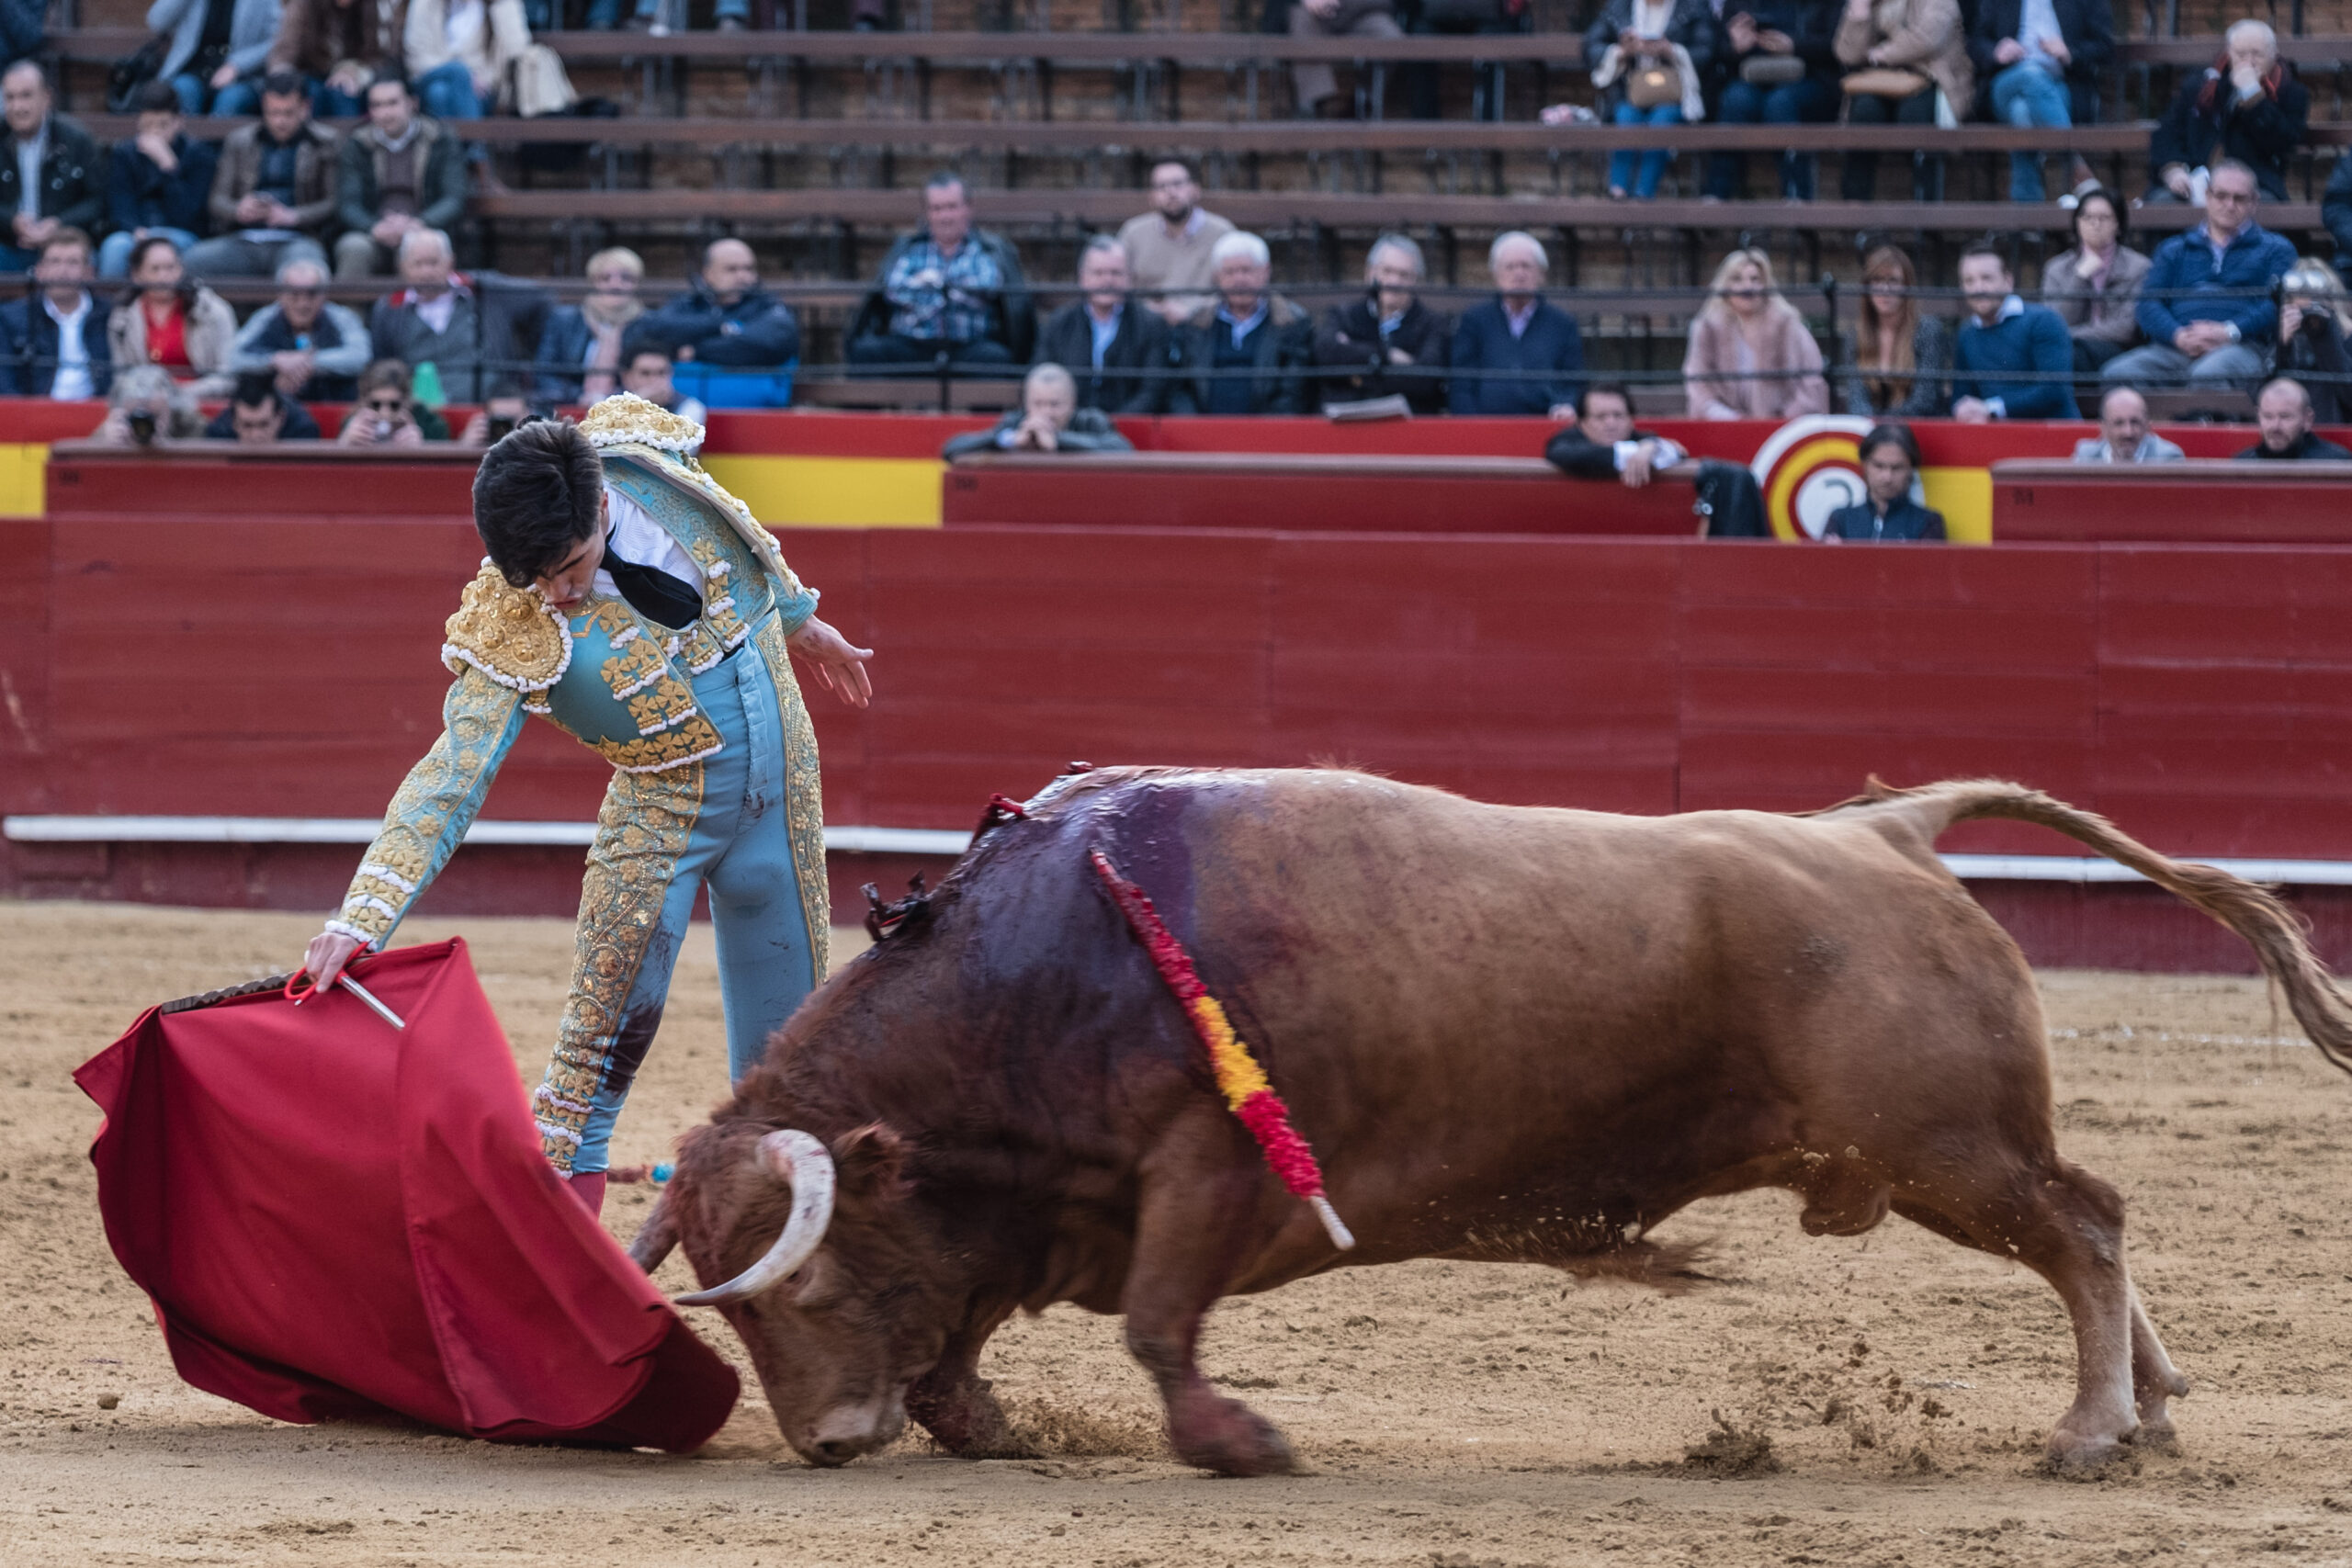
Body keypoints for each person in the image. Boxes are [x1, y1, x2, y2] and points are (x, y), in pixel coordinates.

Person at [301, 402, 876, 1215]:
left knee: (796, 1076)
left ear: (601, 504)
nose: (559, 595)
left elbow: (738, 543)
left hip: (784, 797)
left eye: (570, 567)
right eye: (534, 579)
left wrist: (800, 621)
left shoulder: (646, 463)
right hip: (658, 824)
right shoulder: (509, 623)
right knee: (581, 1092)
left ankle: (797, 1292)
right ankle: (559, 1300)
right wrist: (362, 916)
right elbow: (450, 775)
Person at [2103, 159, 2292, 395]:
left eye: (2239, 198)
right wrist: (2178, 335)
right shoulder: (2173, 249)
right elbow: (2148, 304)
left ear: (2254, 202)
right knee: (2118, 374)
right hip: (2176, 347)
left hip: (2244, 347)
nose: (2229, 205)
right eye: (2221, 195)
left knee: (2208, 375)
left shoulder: (2276, 249)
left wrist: (2230, 332)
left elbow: (2277, 304)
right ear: (2207, 196)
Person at [848, 176, 1031, 375]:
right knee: (866, 354)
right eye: (937, 208)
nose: (945, 216)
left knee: (997, 359)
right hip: (911, 344)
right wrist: (954, 292)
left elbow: (986, 288)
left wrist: (926, 285)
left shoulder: (987, 250)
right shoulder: (910, 248)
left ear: (968, 208)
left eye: (952, 207)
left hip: (968, 346)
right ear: (928, 213)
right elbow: (893, 290)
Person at [368, 227, 550, 404]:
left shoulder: (484, 290)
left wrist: (525, 356)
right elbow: (383, 367)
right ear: (402, 267)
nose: (426, 272)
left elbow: (541, 297)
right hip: (417, 414)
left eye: (433, 262)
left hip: (487, 408)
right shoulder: (388, 309)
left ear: (450, 262)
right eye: (418, 264)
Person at [185, 72, 337, 278]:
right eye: (273, 113)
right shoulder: (239, 141)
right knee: (189, 262)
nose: (279, 121)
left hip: (298, 239)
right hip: (244, 238)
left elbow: (334, 202)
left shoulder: (325, 143)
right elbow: (217, 201)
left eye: (288, 113)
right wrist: (239, 209)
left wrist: (294, 216)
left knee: (306, 275)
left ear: (305, 107)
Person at [1966, 0, 2112, 204]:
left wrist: (2070, 53)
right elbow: (1975, 42)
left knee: (2022, 112)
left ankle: (2027, 214)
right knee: (2030, 74)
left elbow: (2105, 46)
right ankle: (2074, 163)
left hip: (2061, 85)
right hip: (2006, 82)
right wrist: (1996, 51)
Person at [2147, 19, 2307, 206]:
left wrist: (2253, 98)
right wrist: (2173, 169)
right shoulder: (2200, 85)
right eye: (2241, 54)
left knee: (2266, 204)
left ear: (2274, 54)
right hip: (2197, 176)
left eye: (2257, 54)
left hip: (2256, 182)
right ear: (2229, 52)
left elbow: (2283, 142)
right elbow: (2168, 132)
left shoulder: (2291, 92)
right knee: (2161, 202)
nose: (2249, 62)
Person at [636, 237, 801, 409]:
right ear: (708, 273)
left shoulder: (770, 307)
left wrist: (695, 350)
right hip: (677, 411)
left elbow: (767, 343)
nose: (742, 276)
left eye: (748, 268)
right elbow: (653, 330)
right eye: (731, 269)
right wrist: (721, 327)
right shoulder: (688, 304)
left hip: (753, 414)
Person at [1834, 0, 1971, 202]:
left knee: (1913, 116)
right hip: (1879, 81)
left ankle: (1927, 217)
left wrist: (1880, 54)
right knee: (1864, 113)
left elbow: (1927, 39)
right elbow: (1847, 54)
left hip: (1930, 79)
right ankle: (1856, 215)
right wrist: (1860, 14)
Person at [333, 73, 466, 279]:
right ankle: (351, 312)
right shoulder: (357, 145)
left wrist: (419, 224)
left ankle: (422, 312)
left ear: (412, 103)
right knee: (353, 248)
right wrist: (374, 227)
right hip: (373, 232)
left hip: (424, 229)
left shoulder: (439, 140)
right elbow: (348, 203)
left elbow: (454, 198)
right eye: (377, 105)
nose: (384, 113)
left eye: (392, 103)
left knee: (424, 249)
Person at [1704, 0, 1839, 201]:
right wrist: (1736, 45)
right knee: (1735, 99)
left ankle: (1797, 198)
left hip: (1810, 79)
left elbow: (1837, 46)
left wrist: (1794, 45)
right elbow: (1719, 51)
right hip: (1753, 77)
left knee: (1780, 103)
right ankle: (1716, 195)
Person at [1167, 231, 1314, 416]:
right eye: (1230, 272)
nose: (1239, 280)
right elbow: (1180, 388)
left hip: (1268, 433)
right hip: (1201, 432)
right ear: (1218, 277)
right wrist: (1193, 428)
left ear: (1265, 272)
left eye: (1246, 270)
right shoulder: (1194, 325)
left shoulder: (1293, 324)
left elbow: (1293, 392)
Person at [1582, 0, 1715, 201]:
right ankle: (1618, 191)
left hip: (1676, 94)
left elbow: (1708, 50)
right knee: (1625, 117)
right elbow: (1590, 46)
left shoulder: (1693, 7)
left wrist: (1671, 50)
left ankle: (1644, 194)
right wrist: (1622, 50)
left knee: (1662, 122)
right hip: (1629, 91)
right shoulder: (1620, 6)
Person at [1310, 233, 1450, 414]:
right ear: (1370, 273)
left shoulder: (1433, 324)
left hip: (1408, 431)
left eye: (1404, 275)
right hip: (1346, 429)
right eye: (1388, 271)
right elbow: (1325, 355)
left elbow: (1425, 380)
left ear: (1415, 281)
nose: (1394, 281)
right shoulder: (1343, 316)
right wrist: (1387, 355)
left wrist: (1357, 372)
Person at [1449, 231, 1584, 419]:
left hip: (1544, 423)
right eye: (1510, 267)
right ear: (1496, 275)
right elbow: (1461, 384)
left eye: (1526, 266)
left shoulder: (1562, 323)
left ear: (1541, 274)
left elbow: (1573, 381)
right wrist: (1471, 424)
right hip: (1486, 424)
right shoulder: (1474, 320)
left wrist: (1565, 405)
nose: (1519, 273)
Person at [1032, 235, 1171, 415]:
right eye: (1098, 273)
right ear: (1083, 278)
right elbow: (1041, 376)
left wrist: (1112, 426)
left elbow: (1153, 391)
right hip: (1069, 428)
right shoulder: (1059, 323)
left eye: (1115, 273)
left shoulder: (1151, 325)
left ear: (1129, 278)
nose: (1107, 281)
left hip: (1130, 429)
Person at [1682, 246, 1827, 420]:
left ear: (1766, 285)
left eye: (1755, 279)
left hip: (1780, 427)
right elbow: (1698, 386)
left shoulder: (1788, 325)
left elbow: (1811, 384)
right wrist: (1727, 417)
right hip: (1721, 426)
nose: (1747, 286)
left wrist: (1783, 418)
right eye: (1737, 279)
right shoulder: (1707, 328)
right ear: (1725, 285)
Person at [99, 82, 217, 280]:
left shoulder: (199, 155)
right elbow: (120, 203)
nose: (154, 133)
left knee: (187, 252)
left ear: (179, 121)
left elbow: (190, 215)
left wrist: (168, 166)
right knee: (114, 248)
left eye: (162, 125)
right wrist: (135, 230)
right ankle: (114, 310)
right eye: (147, 125)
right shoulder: (125, 153)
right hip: (135, 232)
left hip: (180, 233)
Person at [1950, 244, 2077, 422]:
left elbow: (2053, 390)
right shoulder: (1966, 333)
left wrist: (1990, 409)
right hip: (1993, 437)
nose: (1978, 288)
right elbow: (1962, 395)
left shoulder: (2044, 320)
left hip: (2051, 435)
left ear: (2008, 281)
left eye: (1986, 278)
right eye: (1969, 281)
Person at [107, 234, 239, 399]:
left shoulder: (214, 311)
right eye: (155, 269)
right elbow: (121, 378)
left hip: (203, 402)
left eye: (170, 267)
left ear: (181, 269)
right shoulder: (121, 319)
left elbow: (228, 376)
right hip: (146, 406)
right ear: (137, 275)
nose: (164, 276)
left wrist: (182, 393)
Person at [0, 64, 103, 275]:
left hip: (66, 246)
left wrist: (58, 224)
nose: (17, 107)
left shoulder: (76, 139)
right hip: (8, 245)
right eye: (10, 98)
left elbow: (97, 201)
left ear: (46, 98)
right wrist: (11, 221)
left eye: (26, 96)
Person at [230, 254, 369, 401]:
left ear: (324, 294)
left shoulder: (341, 317)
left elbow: (360, 357)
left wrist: (310, 362)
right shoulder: (265, 317)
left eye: (311, 294)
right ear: (281, 294)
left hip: (334, 402)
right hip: (274, 408)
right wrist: (274, 360)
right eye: (294, 294)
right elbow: (234, 357)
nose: (303, 304)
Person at [2040, 187, 2148, 377]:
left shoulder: (2139, 267)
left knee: (2066, 356)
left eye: (2104, 218)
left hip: (2117, 350)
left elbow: (2126, 329)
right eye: (2087, 217)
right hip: (2072, 350)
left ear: (2118, 224)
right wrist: (2081, 274)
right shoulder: (2056, 268)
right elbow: (2056, 323)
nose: (2095, 224)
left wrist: (2073, 334)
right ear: (2077, 223)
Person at [1114, 160, 1233, 328]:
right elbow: (1120, 284)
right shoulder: (1133, 233)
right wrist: (1150, 310)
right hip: (1145, 327)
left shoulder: (1222, 233)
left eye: (1178, 184)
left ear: (1196, 190)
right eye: (1161, 186)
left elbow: (1233, 289)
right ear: (1152, 197)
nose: (1170, 192)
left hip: (1206, 328)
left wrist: (1191, 311)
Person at [942, 363, 1137, 457]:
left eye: (1055, 404)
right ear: (1025, 404)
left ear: (1072, 403)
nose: (1046, 412)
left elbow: (1123, 449)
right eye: (1038, 404)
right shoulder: (1015, 422)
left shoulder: (1090, 420)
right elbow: (951, 450)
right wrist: (1005, 441)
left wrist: (1059, 440)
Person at [0, 228, 109, 398]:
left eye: (73, 262)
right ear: (39, 271)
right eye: (54, 262)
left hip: (100, 414)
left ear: (89, 272)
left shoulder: (109, 315)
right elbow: (5, 384)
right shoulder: (10, 318)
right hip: (34, 416)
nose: (62, 271)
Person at [533, 245, 644, 407]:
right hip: (570, 406)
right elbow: (544, 374)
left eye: (625, 278)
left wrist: (614, 400)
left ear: (637, 283)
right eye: (605, 278)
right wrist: (579, 397)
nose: (615, 285)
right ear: (594, 282)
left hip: (628, 409)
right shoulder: (564, 320)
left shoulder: (648, 324)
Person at [1847, 244, 1951, 417]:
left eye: (1893, 281)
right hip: (1871, 431)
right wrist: (1874, 427)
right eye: (1877, 281)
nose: (1884, 290)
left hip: (1918, 430)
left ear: (1907, 286)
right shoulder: (1856, 334)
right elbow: (1857, 399)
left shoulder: (1928, 330)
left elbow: (1925, 401)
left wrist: (1884, 426)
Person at [266, 0, 410, 117]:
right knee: (310, 94)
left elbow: (382, 55)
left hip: (356, 75)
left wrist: (355, 72)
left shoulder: (375, 7)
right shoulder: (304, 5)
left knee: (344, 92)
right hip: (311, 73)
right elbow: (284, 51)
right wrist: (284, 81)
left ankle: (347, 147)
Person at [146, 0, 281, 116]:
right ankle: (188, 145)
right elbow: (156, 22)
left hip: (242, 78)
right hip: (192, 70)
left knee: (231, 100)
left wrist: (237, 65)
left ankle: (216, 146)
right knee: (183, 89)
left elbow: (279, 40)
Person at [401, 0, 529, 121]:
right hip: (430, 76)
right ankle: (476, 142)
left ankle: (451, 144)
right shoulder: (425, 3)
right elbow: (416, 55)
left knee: (438, 94)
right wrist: (461, 74)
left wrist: (502, 5)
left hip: (480, 88)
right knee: (458, 72)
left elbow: (516, 48)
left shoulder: (496, 5)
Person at [1544, 380, 1687, 485]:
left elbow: (1679, 452)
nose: (1611, 423)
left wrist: (1651, 447)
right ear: (1582, 423)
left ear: (1631, 420)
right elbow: (1570, 455)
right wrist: (1638, 451)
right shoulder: (1565, 441)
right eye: (1601, 416)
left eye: (1618, 415)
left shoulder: (1644, 439)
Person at [1824, 422, 1944, 540]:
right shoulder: (1840, 520)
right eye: (1879, 466)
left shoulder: (1928, 522)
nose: (1887, 477)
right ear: (1865, 465)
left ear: (1910, 469)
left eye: (1897, 468)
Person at [1289, 0, 1401, 119]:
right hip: (1316, 14)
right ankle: (1313, 104)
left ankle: (1363, 100)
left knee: (1391, 38)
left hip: (1367, 13)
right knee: (1302, 20)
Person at [2275, 259, 2352, 426]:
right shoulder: (2286, 335)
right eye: (2299, 296)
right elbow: (2271, 394)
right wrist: (2283, 346)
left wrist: (2325, 334)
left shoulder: (2349, 336)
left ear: (2332, 300)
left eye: (2316, 300)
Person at [337, 355, 449, 443]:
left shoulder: (429, 424)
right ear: (365, 401)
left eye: (394, 405)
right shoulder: (355, 423)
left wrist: (420, 449)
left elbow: (445, 467)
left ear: (407, 401)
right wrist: (346, 443)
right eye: (376, 405)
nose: (384, 413)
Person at [2236, 377, 2350, 461]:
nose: (2275, 426)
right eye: (2268, 416)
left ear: (2307, 420)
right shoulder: (2243, 463)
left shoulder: (2335, 463)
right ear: (2258, 416)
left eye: (2285, 417)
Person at [89, 363, 203, 442]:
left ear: (172, 410)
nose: (145, 425)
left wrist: (170, 446)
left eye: (154, 416)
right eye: (136, 415)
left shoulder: (192, 426)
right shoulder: (114, 428)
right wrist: (104, 443)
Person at [203, 367, 323, 441]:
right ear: (233, 422)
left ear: (280, 418)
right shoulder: (218, 432)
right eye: (247, 425)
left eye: (264, 424)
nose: (256, 435)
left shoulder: (303, 431)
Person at [2072, 386, 2183, 462]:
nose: (2128, 432)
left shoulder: (2167, 457)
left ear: (2147, 426)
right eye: (2118, 423)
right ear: (2103, 429)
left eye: (2135, 422)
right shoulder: (2085, 457)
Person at [616, 337, 705, 426]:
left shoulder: (691, 407)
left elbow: (678, 435)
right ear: (626, 377)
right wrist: (639, 402)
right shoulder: (606, 403)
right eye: (645, 373)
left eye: (661, 372)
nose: (654, 380)